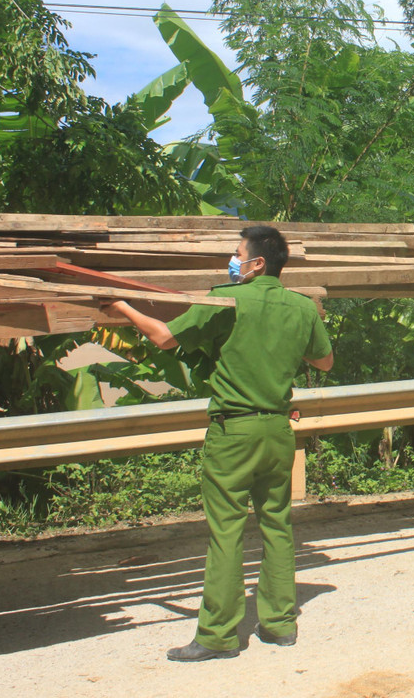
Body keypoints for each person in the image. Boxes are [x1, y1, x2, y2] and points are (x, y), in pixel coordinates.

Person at [107, 225, 333, 661]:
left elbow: (164, 337)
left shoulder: (226, 299)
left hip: (234, 431)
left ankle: (218, 636)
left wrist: (121, 307)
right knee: (277, 524)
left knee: (226, 530)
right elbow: (323, 360)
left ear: (257, 262)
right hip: (277, 430)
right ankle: (280, 625)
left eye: (236, 254)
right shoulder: (302, 307)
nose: (232, 262)